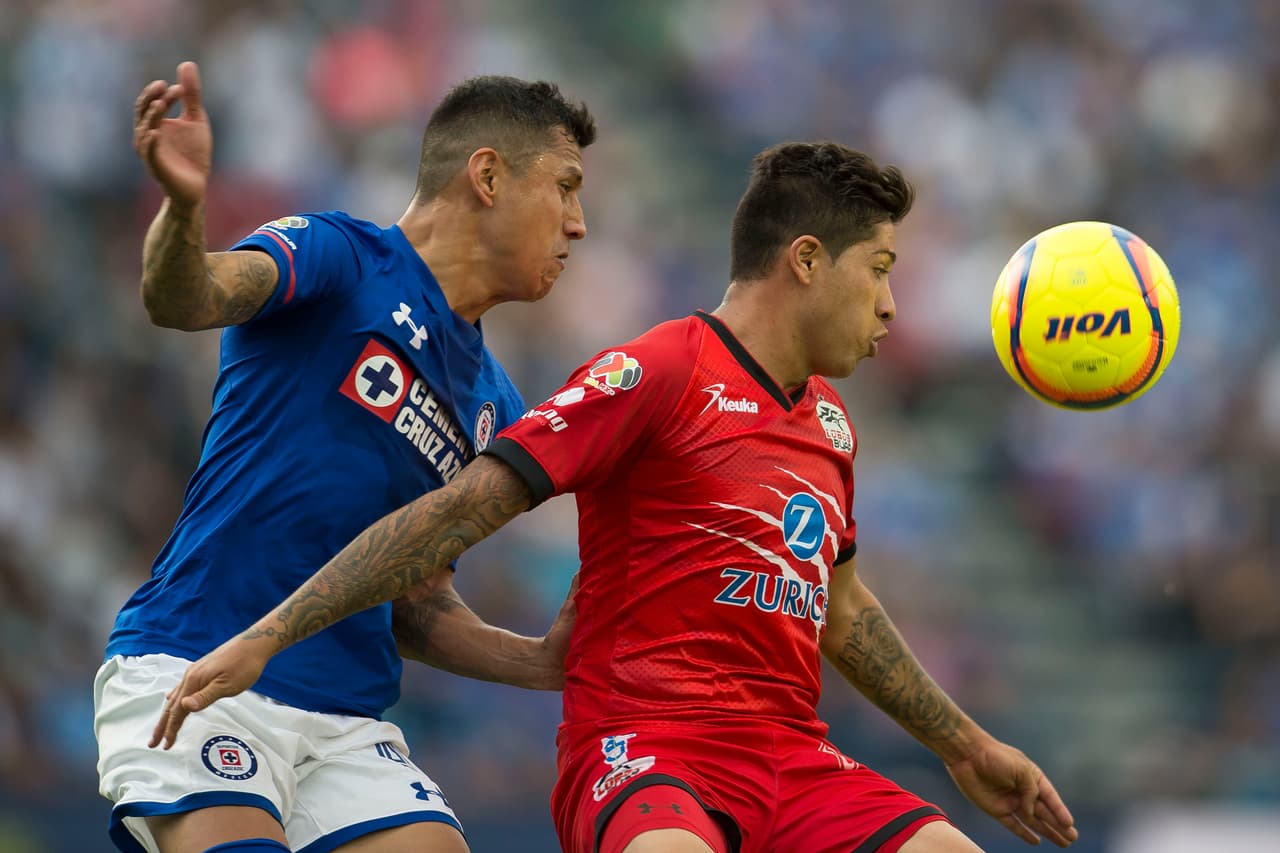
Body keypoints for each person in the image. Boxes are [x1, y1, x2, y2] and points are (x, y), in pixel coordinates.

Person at [152, 142, 1080, 853]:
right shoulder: (659, 369)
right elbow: (457, 510)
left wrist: (965, 746)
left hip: (790, 756)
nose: (890, 308)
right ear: (805, 259)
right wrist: (272, 633)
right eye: (878, 270)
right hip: (647, 747)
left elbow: (844, 610)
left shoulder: (830, 424)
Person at [95, 60, 595, 853]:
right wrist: (184, 207)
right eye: (565, 187)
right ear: (489, 176)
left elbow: (415, 602)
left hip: (347, 724)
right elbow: (185, 297)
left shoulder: (499, 403)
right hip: (197, 664)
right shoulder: (339, 256)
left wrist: (537, 661)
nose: (578, 223)